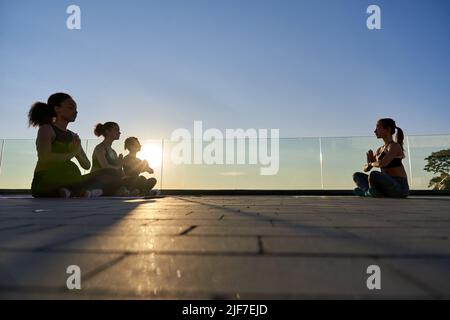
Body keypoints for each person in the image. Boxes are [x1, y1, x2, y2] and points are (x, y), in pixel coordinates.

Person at [29, 93, 116, 198]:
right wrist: (72, 152)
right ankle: (81, 190)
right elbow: (45, 158)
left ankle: (71, 190)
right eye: (71, 108)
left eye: (76, 109)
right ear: (57, 109)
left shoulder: (73, 136)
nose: (75, 112)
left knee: (111, 173)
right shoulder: (47, 129)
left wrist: (77, 151)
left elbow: (86, 165)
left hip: (71, 178)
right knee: (68, 169)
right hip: (46, 179)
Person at [353, 118, 410, 198]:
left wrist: (372, 163)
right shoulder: (379, 150)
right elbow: (366, 169)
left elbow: (383, 163)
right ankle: (371, 192)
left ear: (388, 129)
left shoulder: (394, 146)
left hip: (399, 188)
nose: (375, 131)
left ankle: (368, 192)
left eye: (378, 127)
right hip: (386, 186)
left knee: (374, 174)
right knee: (357, 175)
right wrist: (370, 163)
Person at [91, 122, 129, 196]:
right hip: (98, 179)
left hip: (110, 179)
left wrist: (121, 164)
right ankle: (119, 191)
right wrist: (118, 167)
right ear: (107, 132)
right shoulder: (100, 148)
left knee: (135, 179)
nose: (119, 132)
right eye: (116, 130)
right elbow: (105, 167)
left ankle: (121, 191)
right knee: (114, 175)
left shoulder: (113, 152)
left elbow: (119, 170)